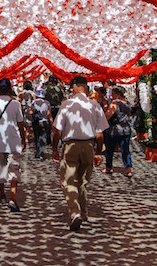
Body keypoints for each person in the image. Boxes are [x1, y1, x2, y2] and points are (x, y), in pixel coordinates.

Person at [52, 76, 108, 231]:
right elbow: (100, 134)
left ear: (75, 87)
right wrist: (98, 152)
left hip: (71, 145)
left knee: (68, 181)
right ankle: (83, 213)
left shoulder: (67, 104)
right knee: (82, 181)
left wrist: (54, 148)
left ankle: (75, 213)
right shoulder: (95, 105)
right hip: (89, 144)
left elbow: (57, 130)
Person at [0, 78, 26, 212]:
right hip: (13, 140)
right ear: (10, 89)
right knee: (14, 169)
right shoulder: (15, 104)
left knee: (0, 168)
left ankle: (2, 193)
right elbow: (20, 123)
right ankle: (12, 198)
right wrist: (23, 138)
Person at [103, 86, 133, 177]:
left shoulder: (114, 104)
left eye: (112, 93)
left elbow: (108, 116)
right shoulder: (127, 103)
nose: (111, 95)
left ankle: (108, 167)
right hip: (126, 129)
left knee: (110, 149)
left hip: (114, 130)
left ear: (116, 94)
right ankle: (128, 169)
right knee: (125, 150)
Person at [31, 88, 52, 160]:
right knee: (43, 137)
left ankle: (37, 152)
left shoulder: (33, 102)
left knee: (36, 137)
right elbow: (49, 114)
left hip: (36, 122)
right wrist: (51, 123)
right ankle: (42, 154)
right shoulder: (47, 103)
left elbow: (31, 112)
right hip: (45, 121)